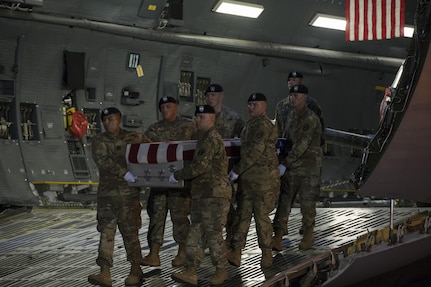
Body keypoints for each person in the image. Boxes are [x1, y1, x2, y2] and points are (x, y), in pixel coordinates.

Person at [170, 105, 231, 286]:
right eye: (196, 117)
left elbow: (199, 167)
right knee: (195, 233)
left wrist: (176, 175)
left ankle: (221, 270)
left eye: (202, 117)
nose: (197, 120)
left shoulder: (211, 138)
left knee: (213, 233)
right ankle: (191, 270)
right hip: (202, 195)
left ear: (211, 119)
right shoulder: (202, 138)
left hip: (214, 196)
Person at [88, 107, 150, 287]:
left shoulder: (133, 137)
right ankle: (104, 273)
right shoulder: (99, 140)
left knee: (130, 233)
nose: (108, 123)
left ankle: (135, 269)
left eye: (111, 119)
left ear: (119, 119)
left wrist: (144, 140)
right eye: (105, 120)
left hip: (128, 196)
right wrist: (124, 173)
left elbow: (150, 150)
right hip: (107, 196)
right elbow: (103, 161)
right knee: (106, 233)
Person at [141, 96, 196, 268]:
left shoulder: (189, 126)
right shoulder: (154, 129)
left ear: (176, 107)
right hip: (159, 182)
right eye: (163, 107)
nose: (166, 110)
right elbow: (145, 151)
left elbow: (196, 149)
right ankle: (154, 254)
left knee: (179, 218)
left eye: (169, 106)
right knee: (156, 217)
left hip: (179, 183)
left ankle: (182, 252)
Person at [272, 71, 324, 251]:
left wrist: (283, 164)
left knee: (307, 203)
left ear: (305, 97)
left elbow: (302, 146)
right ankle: (277, 235)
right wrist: (280, 158)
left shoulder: (310, 118)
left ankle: (308, 233)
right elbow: (285, 138)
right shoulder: (292, 116)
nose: (293, 99)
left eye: (297, 96)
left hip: (308, 168)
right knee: (284, 201)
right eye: (291, 95)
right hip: (292, 167)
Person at [226, 93, 280, 268]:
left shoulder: (264, 126)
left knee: (261, 218)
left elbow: (255, 153)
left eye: (255, 105)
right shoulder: (249, 125)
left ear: (264, 106)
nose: (251, 108)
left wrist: (236, 170)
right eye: (249, 105)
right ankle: (236, 251)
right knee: (242, 216)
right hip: (248, 181)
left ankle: (266, 253)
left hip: (263, 181)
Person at [205, 83, 245, 245]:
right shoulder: (201, 116)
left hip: (225, 169)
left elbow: (244, 141)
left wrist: (237, 168)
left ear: (221, 96)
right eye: (208, 95)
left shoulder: (233, 118)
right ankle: (208, 239)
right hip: (206, 168)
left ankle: (230, 237)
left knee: (226, 205)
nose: (210, 98)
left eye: (214, 95)